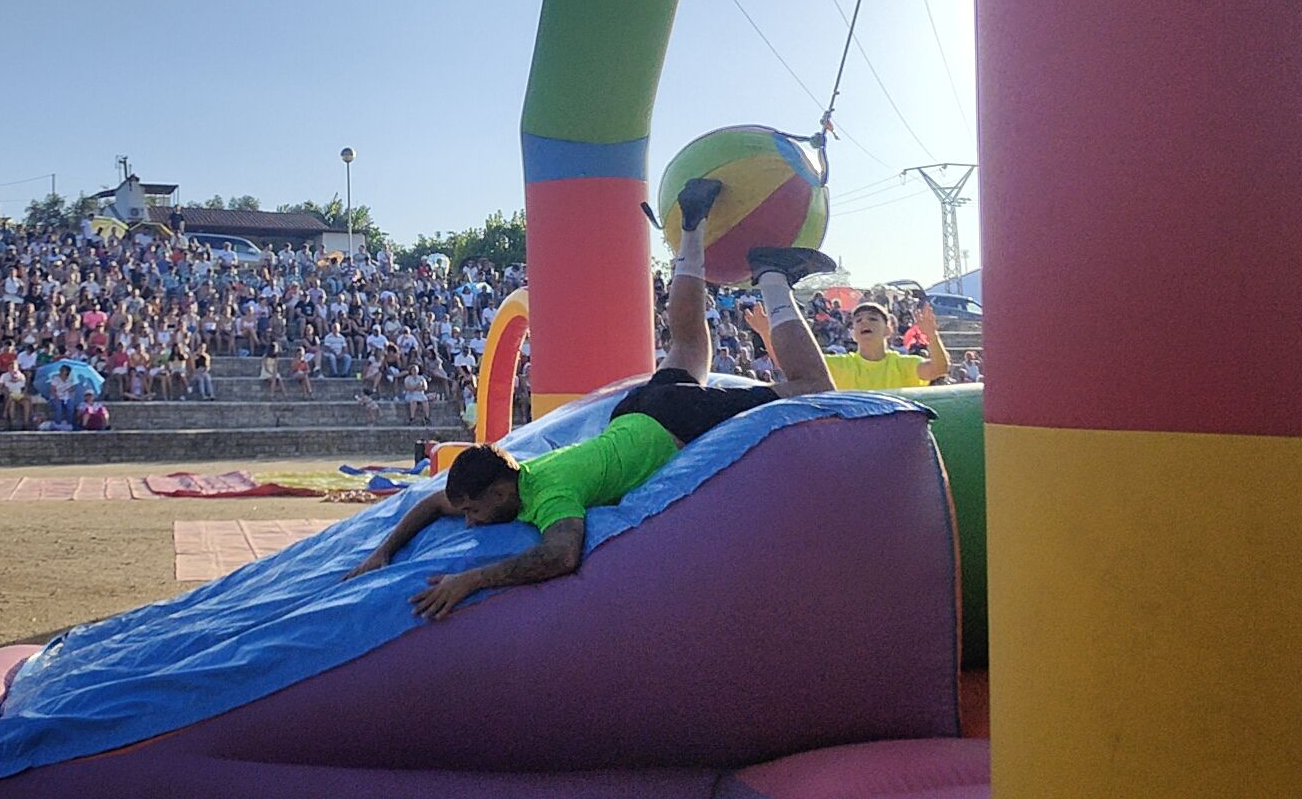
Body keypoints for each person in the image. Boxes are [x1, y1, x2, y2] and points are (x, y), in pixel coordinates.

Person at [347, 179, 840, 620]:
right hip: (635, 412)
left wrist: (471, 579)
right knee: (690, 347)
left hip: (667, 421)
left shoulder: (549, 495)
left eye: (474, 512)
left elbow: (560, 556)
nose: (470, 520)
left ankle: (772, 276)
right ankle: (691, 224)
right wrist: (383, 552)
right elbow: (435, 503)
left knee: (812, 386)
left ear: (500, 492)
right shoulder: (510, 476)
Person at [745, 296, 948, 390]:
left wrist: (931, 334)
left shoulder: (905, 365)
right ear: (852, 333)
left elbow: (939, 368)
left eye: (873, 319)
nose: (864, 322)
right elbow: (788, 364)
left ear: (889, 329)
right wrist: (765, 332)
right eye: (858, 320)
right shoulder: (841, 364)